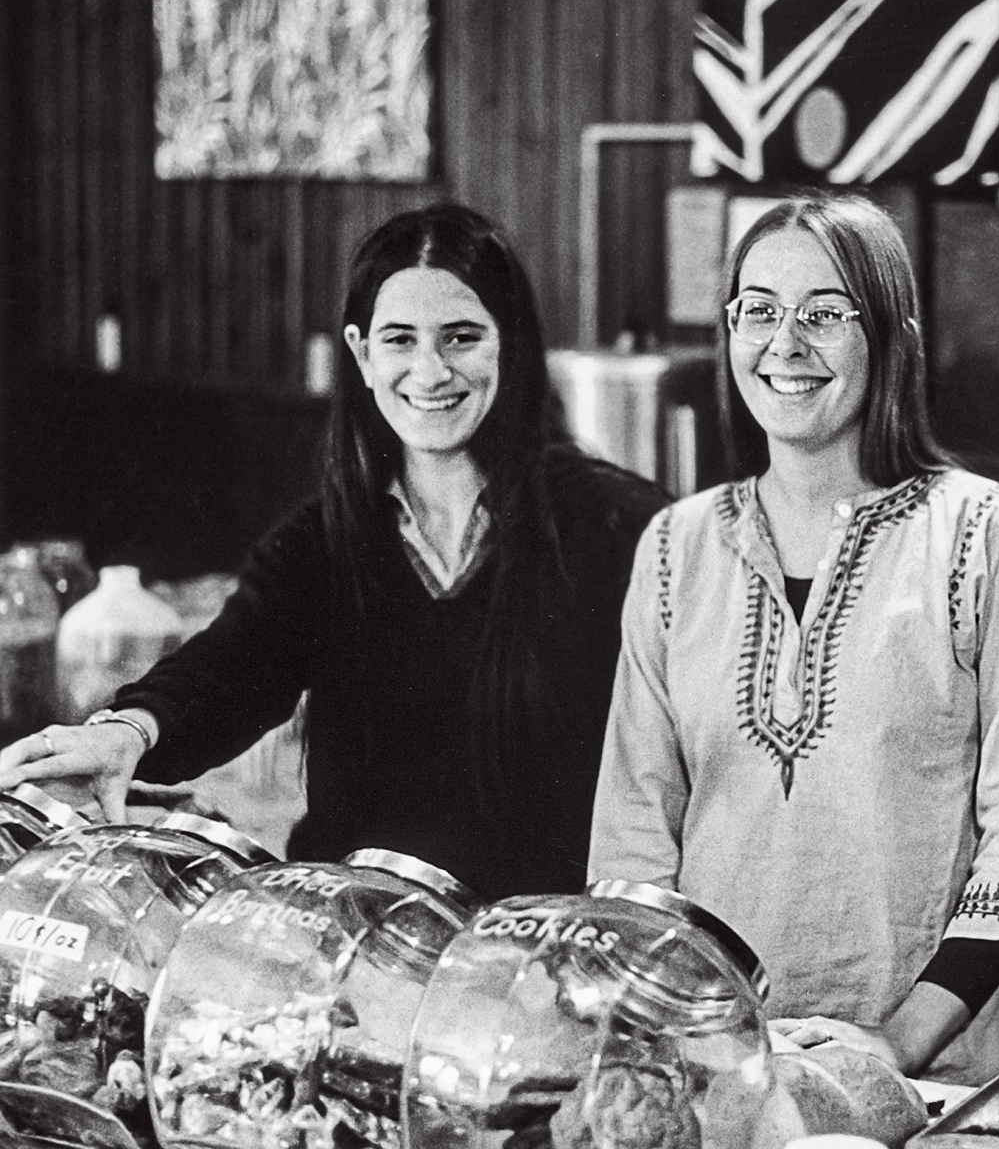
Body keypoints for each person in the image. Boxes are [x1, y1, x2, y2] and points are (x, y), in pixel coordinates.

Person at [0, 204, 666, 897]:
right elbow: (228, 667)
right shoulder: (323, 542)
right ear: (361, 354)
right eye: (400, 340)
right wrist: (125, 734)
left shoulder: (615, 526)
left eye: (461, 337)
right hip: (361, 947)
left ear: (513, 345)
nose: (430, 370)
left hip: (541, 961)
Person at [588, 191, 999, 1082]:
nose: (786, 345)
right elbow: (634, 833)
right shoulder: (678, 546)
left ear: (890, 336)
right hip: (723, 1069)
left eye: (826, 314)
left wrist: (894, 1047)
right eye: (760, 311)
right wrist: (689, 1045)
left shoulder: (989, 534)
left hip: (934, 1080)